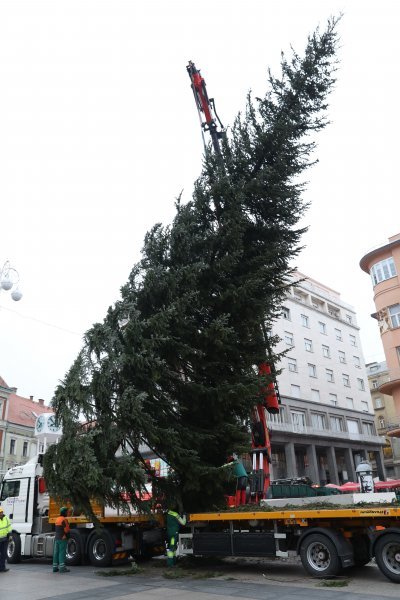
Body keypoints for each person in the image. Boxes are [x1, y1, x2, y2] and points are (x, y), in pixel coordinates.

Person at [53, 506, 71, 573]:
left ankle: (54, 567)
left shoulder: (57, 519)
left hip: (57, 538)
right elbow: (66, 530)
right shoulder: (64, 519)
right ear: (64, 512)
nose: (67, 513)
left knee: (56, 553)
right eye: (67, 512)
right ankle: (62, 568)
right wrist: (68, 536)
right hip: (62, 538)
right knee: (62, 553)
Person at [0, 506, 12, 573]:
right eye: (0, 512)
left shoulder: (6, 518)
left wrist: (10, 535)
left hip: (4, 539)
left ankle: (2, 567)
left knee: (4, 554)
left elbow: (9, 527)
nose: (1, 514)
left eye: (1, 512)